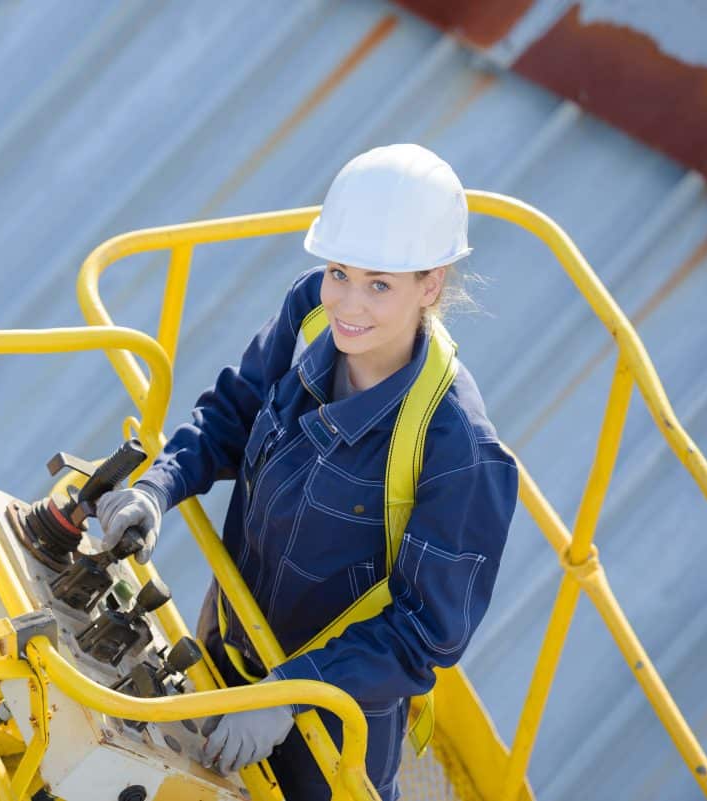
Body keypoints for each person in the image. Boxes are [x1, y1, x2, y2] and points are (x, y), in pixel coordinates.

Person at [95, 143, 519, 801]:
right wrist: (159, 484)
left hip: (327, 741)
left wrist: (289, 696)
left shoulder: (456, 445)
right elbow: (234, 412)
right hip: (225, 649)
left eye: (379, 283)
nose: (349, 303)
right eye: (339, 271)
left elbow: (425, 632)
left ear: (430, 285)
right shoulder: (310, 316)